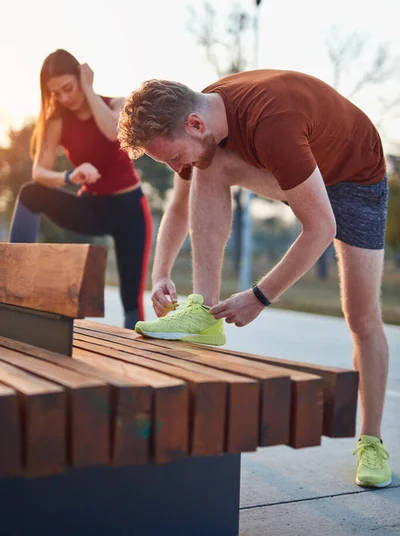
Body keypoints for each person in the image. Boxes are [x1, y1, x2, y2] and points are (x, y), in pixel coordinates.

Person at [118, 68, 392, 489]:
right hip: (300, 163)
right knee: (211, 164)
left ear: (193, 124)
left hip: (355, 180)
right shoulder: (204, 121)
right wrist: (159, 275)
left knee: (362, 318)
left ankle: (371, 439)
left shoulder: (271, 124)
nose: (178, 167)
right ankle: (202, 310)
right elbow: (178, 207)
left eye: (174, 157)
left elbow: (320, 227)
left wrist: (260, 297)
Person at [9, 49, 152, 329]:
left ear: (81, 77)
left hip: (129, 210)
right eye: (55, 93)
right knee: (30, 193)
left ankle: (133, 363)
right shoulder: (57, 121)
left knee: (131, 306)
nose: (63, 98)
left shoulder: (117, 104)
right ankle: (10, 279)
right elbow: (39, 172)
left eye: (68, 88)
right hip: (91, 207)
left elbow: (113, 132)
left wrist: (88, 88)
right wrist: (69, 176)